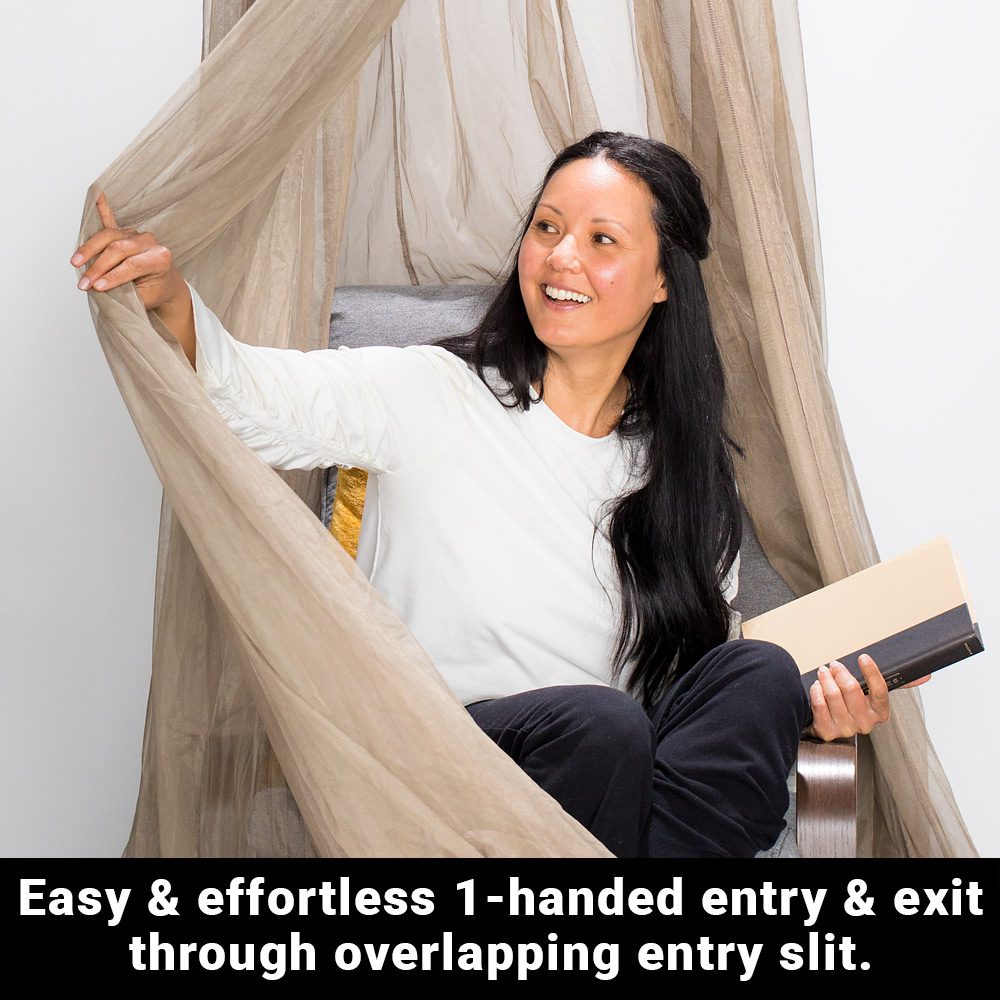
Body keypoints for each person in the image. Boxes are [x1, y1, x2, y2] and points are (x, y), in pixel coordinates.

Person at [71, 131, 922, 858]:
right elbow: (252, 401)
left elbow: (698, 677)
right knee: (601, 728)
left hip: (616, 789)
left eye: (601, 239)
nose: (560, 257)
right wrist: (173, 305)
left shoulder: (684, 473)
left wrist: (812, 708)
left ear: (664, 280)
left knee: (757, 670)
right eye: (547, 227)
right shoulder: (430, 392)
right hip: (443, 767)